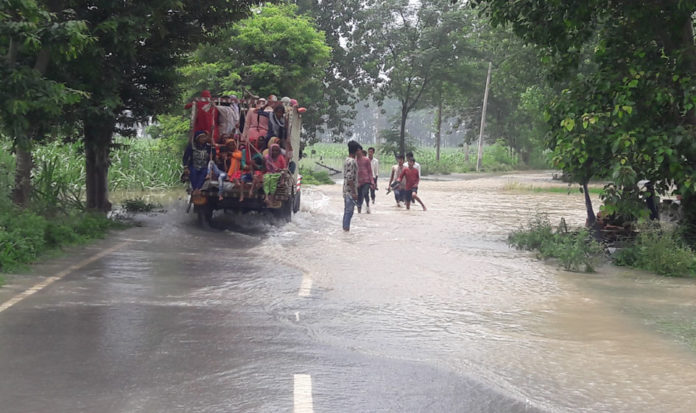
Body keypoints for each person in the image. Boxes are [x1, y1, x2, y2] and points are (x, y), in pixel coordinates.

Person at [342, 141, 360, 231]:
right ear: (356, 151)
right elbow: (349, 178)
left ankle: (345, 230)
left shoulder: (347, 160)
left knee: (347, 212)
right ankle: (346, 229)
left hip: (346, 190)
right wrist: (354, 192)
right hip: (349, 191)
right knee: (349, 212)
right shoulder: (352, 162)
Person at [356, 148, 374, 214]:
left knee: (363, 193)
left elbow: (370, 171)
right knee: (361, 195)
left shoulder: (366, 160)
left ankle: (366, 206)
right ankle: (360, 212)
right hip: (358, 182)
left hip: (366, 181)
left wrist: (372, 182)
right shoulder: (354, 160)